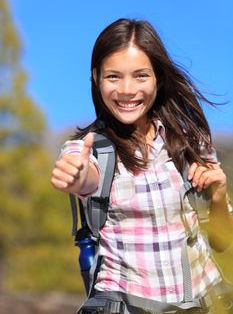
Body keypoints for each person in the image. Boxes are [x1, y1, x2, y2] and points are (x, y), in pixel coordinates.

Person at [51, 18, 233, 313]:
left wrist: (219, 194)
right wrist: (77, 175)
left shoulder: (190, 144)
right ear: (96, 78)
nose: (126, 89)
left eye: (140, 76)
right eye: (113, 77)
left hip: (206, 304)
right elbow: (85, 175)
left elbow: (224, 242)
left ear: (157, 79)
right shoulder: (89, 149)